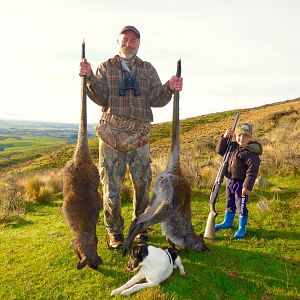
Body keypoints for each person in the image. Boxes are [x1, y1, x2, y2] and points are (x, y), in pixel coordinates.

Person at [79, 25, 183, 250]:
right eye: (125, 39)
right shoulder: (106, 67)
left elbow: (157, 98)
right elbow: (100, 96)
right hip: (111, 138)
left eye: (133, 40)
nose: (129, 43)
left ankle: (140, 229)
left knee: (143, 187)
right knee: (111, 189)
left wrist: (169, 87)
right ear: (118, 42)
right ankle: (114, 232)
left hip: (140, 138)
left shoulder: (147, 69)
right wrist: (88, 78)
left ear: (138, 43)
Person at [214, 122, 263, 239]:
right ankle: (228, 222)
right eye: (239, 135)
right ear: (236, 136)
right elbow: (220, 150)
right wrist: (225, 137)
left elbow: (252, 172)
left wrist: (246, 187)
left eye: (245, 136)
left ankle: (242, 228)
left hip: (241, 184)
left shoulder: (252, 153)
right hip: (230, 181)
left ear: (250, 137)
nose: (241, 138)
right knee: (230, 202)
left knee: (241, 205)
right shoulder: (232, 146)